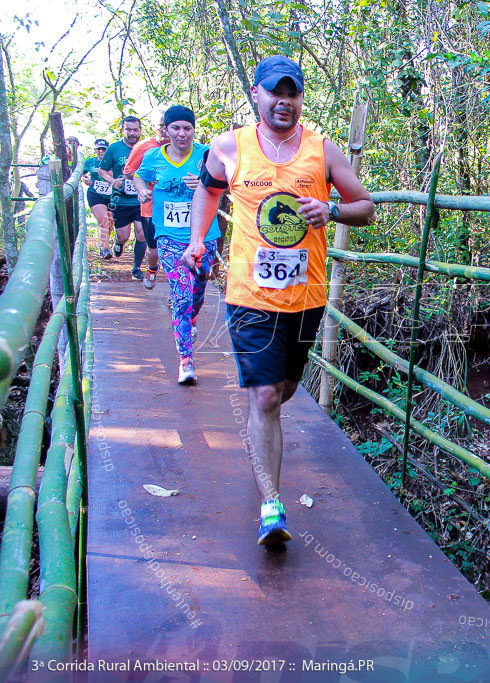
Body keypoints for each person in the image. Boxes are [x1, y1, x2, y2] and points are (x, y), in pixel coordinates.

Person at [184, 55, 374, 546]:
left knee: (285, 389)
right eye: (274, 91)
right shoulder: (228, 147)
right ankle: (272, 505)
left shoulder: (322, 151)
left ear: (300, 99)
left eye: (292, 93)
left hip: (305, 294)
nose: (283, 100)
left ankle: (262, 429)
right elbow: (208, 192)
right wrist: (195, 239)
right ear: (256, 94)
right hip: (249, 295)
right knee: (266, 396)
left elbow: (366, 208)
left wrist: (331, 209)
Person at [136, 106, 221, 385]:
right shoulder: (152, 157)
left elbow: (229, 185)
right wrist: (141, 189)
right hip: (169, 236)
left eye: (187, 128)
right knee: (181, 293)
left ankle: (192, 319)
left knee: (198, 289)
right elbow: (139, 175)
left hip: (205, 234)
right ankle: (185, 359)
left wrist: (204, 184)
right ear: (166, 130)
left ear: (193, 130)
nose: (182, 133)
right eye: (176, 128)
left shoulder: (207, 154)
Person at [98, 116, 147, 279]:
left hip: (141, 199)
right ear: (122, 130)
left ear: (140, 130)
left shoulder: (148, 148)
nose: (132, 133)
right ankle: (119, 243)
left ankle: (136, 268)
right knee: (124, 235)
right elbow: (102, 170)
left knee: (142, 234)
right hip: (120, 199)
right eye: (128, 129)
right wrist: (113, 181)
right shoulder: (114, 148)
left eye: (135, 129)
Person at [124, 111, 168, 288]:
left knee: (179, 250)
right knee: (154, 249)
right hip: (151, 206)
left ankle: (177, 289)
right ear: (153, 127)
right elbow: (128, 172)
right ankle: (151, 269)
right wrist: (148, 180)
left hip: (177, 206)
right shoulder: (144, 147)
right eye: (161, 126)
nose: (165, 130)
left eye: (168, 125)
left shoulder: (182, 147)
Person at [83, 139, 114, 258]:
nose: (101, 151)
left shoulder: (114, 162)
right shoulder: (90, 162)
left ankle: (104, 243)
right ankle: (104, 249)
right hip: (95, 194)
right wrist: (85, 179)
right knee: (103, 220)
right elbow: (82, 173)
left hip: (112, 195)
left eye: (103, 149)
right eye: (98, 149)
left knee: (110, 222)